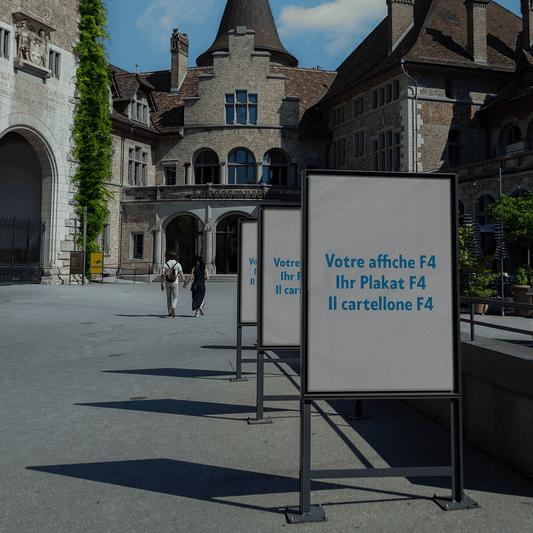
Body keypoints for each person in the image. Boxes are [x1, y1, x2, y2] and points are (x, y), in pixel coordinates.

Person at [160, 251, 186, 317]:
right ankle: (173, 307)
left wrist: (161, 284)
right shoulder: (178, 264)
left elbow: (162, 274)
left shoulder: (165, 264)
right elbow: (181, 274)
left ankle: (169, 312)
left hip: (167, 282)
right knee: (176, 296)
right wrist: (184, 282)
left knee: (168, 297)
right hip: (175, 282)